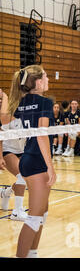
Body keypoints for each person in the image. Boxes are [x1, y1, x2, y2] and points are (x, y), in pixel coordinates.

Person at [7, 65, 56, 258]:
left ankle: (32, 254)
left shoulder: (20, 103)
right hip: (37, 162)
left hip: (29, 158)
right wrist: (51, 167)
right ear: (37, 82)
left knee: (41, 212)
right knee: (35, 216)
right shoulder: (45, 103)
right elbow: (42, 136)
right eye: (45, 76)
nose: (48, 80)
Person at [0, 89, 27, 221]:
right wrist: (0, 157)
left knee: (26, 178)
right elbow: (1, 137)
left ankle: (6, 192)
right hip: (7, 150)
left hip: (22, 150)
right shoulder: (7, 116)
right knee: (22, 175)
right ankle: (17, 211)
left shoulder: (28, 115)